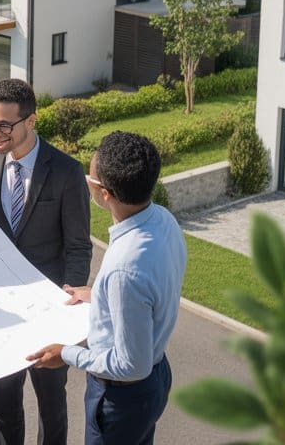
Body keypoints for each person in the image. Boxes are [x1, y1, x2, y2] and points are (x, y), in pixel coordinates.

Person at [26, 132, 187, 445]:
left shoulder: (124, 269)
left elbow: (131, 366)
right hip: (155, 378)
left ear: (104, 193)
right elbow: (149, 288)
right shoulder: (163, 220)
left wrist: (68, 354)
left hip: (122, 396)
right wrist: (99, 293)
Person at [0, 78, 92, 445]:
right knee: (4, 407)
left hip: (49, 314)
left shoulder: (66, 172)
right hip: (2, 312)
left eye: (5, 125)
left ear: (32, 121)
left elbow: (78, 247)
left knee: (51, 407)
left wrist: (66, 311)